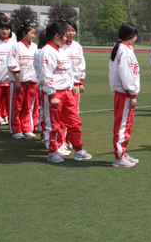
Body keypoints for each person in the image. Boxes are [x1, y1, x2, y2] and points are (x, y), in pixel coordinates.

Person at [39, 21, 92, 163]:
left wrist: (71, 85)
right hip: (54, 94)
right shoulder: (47, 52)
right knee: (53, 124)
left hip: (67, 93)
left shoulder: (61, 51)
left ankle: (78, 150)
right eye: (64, 35)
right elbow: (46, 76)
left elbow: (67, 72)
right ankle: (53, 152)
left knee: (74, 122)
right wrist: (52, 95)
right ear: (57, 36)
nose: (66, 37)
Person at [109, 23, 141, 168]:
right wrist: (132, 93)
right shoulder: (124, 51)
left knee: (126, 125)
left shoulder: (123, 49)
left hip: (124, 94)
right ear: (131, 36)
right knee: (122, 126)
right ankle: (119, 156)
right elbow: (126, 75)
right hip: (125, 94)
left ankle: (122, 152)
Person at [6, 22, 38, 139]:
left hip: (32, 82)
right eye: (31, 33)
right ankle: (16, 130)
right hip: (19, 82)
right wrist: (17, 80)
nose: (33, 35)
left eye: (34, 33)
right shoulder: (16, 46)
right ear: (24, 33)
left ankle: (27, 128)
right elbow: (12, 63)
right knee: (16, 106)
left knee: (28, 107)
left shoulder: (35, 47)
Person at [61, 20, 86, 106]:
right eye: (68, 30)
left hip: (76, 83)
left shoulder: (77, 46)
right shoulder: (60, 46)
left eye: (73, 30)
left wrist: (81, 82)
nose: (71, 33)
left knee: (75, 107)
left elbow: (81, 65)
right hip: (64, 84)